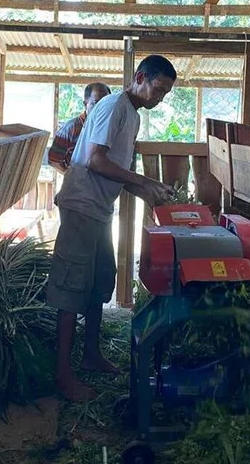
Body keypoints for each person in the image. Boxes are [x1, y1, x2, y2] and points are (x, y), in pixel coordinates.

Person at [46, 55, 177, 402]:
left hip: (100, 210)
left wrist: (149, 191)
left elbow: (114, 169)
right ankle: (62, 375)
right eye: (158, 89)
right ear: (140, 77)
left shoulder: (131, 115)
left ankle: (90, 355)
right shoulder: (112, 106)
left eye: (165, 94)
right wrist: (145, 180)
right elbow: (94, 160)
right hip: (81, 206)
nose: (159, 99)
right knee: (71, 288)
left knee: (99, 281)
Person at [47, 82, 112, 173]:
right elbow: (54, 160)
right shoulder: (71, 128)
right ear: (85, 104)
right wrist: (72, 178)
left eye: (105, 104)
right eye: (96, 103)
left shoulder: (111, 128)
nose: (101, 108)